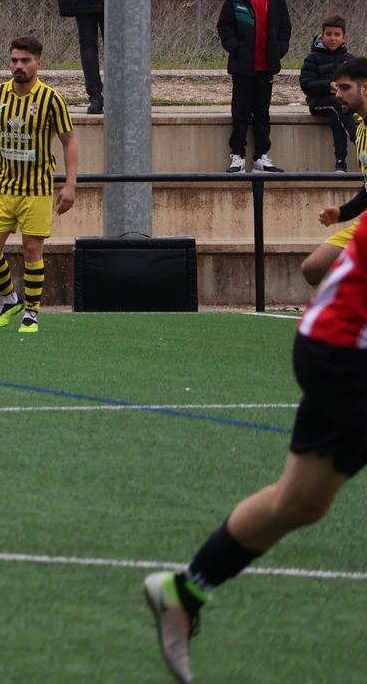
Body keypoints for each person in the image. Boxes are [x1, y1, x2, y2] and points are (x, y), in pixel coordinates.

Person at [142, 218, 367, 684]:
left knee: (301, 501)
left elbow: (324, 260)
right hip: (345, 353)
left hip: (332, 346)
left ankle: (184, 591)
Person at [0, 36, 79, 333]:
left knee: (31, 251)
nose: (18, 66)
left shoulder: (52, 99)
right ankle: (11, 300)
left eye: (25, 61)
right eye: (14, 60)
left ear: (39, 63)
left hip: (37, 189)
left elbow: (69, 141)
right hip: (3, 187)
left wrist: (70, 184)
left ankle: (32, 313)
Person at [217, 0, 291, 173]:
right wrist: (237, 49)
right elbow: (224, 27)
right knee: (240, 111)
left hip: (266, 66)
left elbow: (285, 29)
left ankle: (261, 156)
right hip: (243, 66)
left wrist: (278, 50)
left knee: (262, 112)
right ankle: (237, 155)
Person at [301, 57, 367, 288]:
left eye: (345, 87)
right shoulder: (360, 130)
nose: (338, 94)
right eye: (337, 87)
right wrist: (342, 212)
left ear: (365, 89)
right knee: (313, 268)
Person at [298, 14, 354, 172]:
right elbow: (306, 85)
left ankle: (340, 162)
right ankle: (357, 139)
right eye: (328, 34)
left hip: (342, 104)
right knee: (337, 106)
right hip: (319, 102)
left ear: (344, 37)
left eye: (337, 35)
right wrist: (327, 85)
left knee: (339, 113)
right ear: (322, 35)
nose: (332, 38)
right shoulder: (312, 58)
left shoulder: (349, 59)